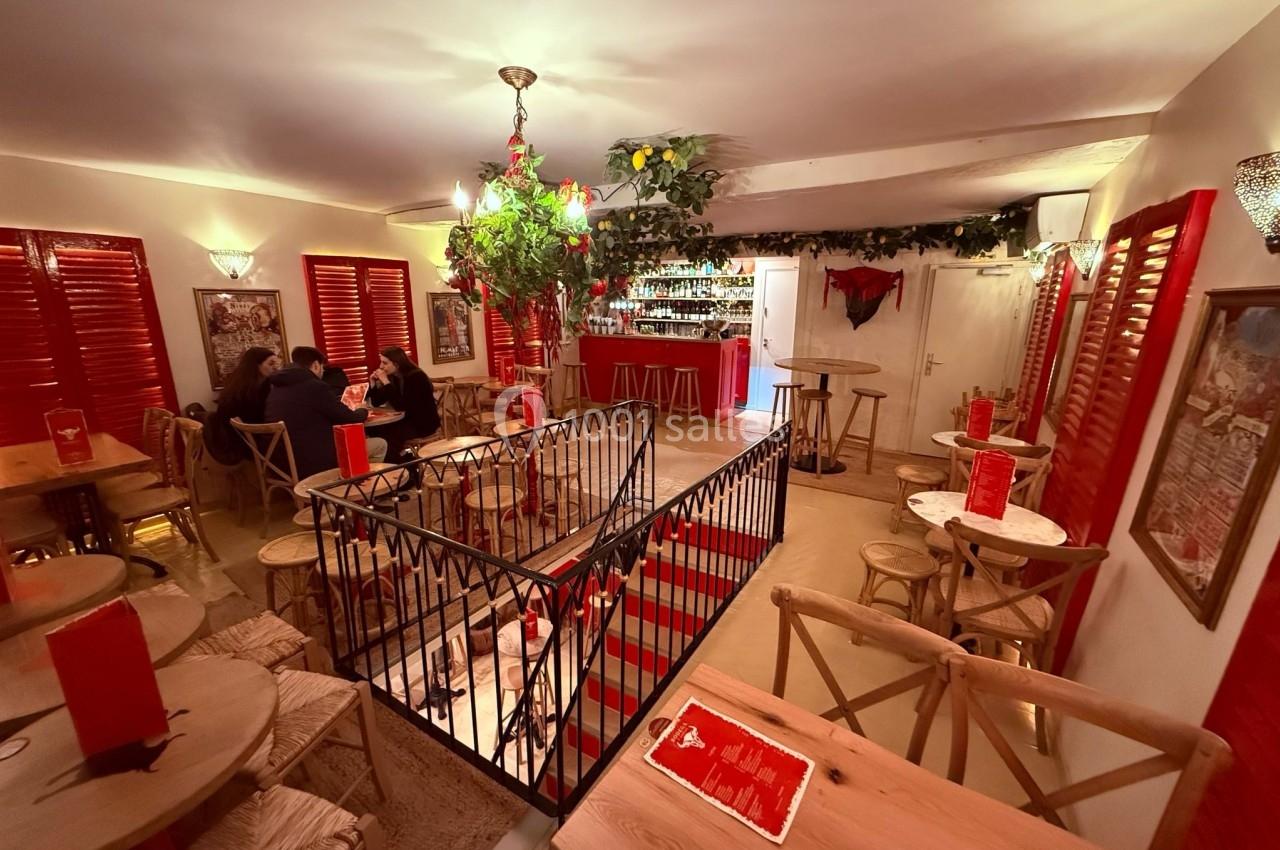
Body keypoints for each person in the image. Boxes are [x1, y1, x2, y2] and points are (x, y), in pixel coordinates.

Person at [264, 346, 387, 478]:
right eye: (322, 368)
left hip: (281, 464)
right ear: (316, 365)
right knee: (379, 445)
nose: (323, 372)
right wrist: (362, 409)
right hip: (313, 462)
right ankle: (352, 484)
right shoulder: (314, 386)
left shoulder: (276, 387)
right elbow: (350, 418)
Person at [205, 347, 280, 465]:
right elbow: (260, 421)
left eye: (276, 363)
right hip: (243, 443)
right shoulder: (247, 391)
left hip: (240, 438)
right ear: (256, 366)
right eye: (271, 363)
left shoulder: (242, 383)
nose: (276, 368)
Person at [367, 346, 441, 460]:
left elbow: (402, 406)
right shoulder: (393, 377)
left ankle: (402, 461)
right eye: (381, 362)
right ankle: (401, 457)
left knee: (388, 435)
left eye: (385, 363)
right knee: (373, 430)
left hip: (423, 423)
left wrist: (386, 382)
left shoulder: (416, 376)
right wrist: (372, 383)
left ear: (396, 364)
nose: (381, 366)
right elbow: (377, 402)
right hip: (406, 420)